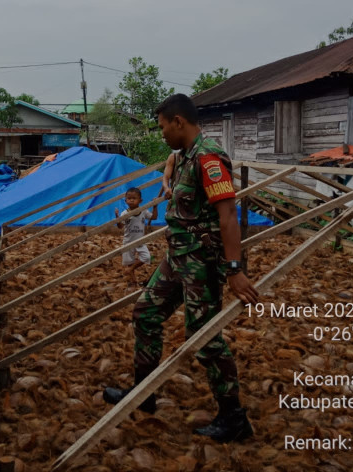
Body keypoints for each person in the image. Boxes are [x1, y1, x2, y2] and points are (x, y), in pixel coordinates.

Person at [104, 93, 260, 443]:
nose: (161, 134)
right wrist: (167, 174)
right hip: (177, 257)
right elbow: (172, 162)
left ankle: (233, 416)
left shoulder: (209, 159)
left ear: (179, 122)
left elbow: (227, 215)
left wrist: (234, 269)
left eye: (163, 127)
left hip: (201, 262)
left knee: (203, 336)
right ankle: (143, 394)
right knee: (145, 314)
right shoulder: (184, 155)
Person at [114, 187, 158, 286]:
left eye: (134, 198)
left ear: (140, 200)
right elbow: (120, 226)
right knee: (129, 262)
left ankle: (131, 269)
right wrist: (117, 217)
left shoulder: (143, 211)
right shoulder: (125, 213)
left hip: (140, 241)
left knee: (146, 257)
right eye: (129, 198)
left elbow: (154, 217)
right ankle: (133, 282)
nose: (131, 200)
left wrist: (155, 206)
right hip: (128, 241)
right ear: (125, 200)